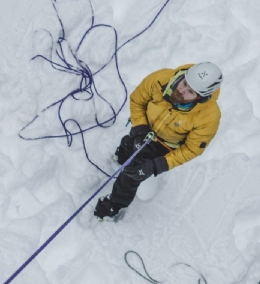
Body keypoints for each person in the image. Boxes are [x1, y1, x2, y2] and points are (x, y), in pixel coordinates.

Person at [94, 62, 222, 221]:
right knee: (128, 144)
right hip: (143, 129)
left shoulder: (209, 118)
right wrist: (140, 130)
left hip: (165, 147)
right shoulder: (161, 79)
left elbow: (192, 149)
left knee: (131, 176)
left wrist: (156, 165)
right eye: (184, 83)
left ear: (200, 97)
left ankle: (114, 206)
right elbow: (137, 100)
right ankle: (122, 156)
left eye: (190, 91)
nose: (181, 91)